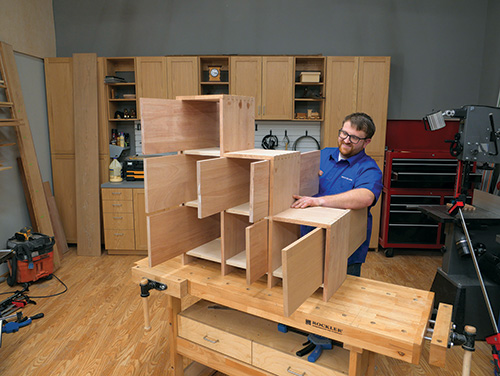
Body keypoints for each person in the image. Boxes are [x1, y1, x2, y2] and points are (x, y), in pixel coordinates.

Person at [291, 112, 383, 277]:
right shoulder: (324, 154)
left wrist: (319, 201)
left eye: (354, 138)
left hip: (344, 249)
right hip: (308, 240)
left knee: (342, 298)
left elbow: (366, 197)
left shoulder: (369, 168)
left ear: (366, 142)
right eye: (344, 133)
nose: (346, 140)